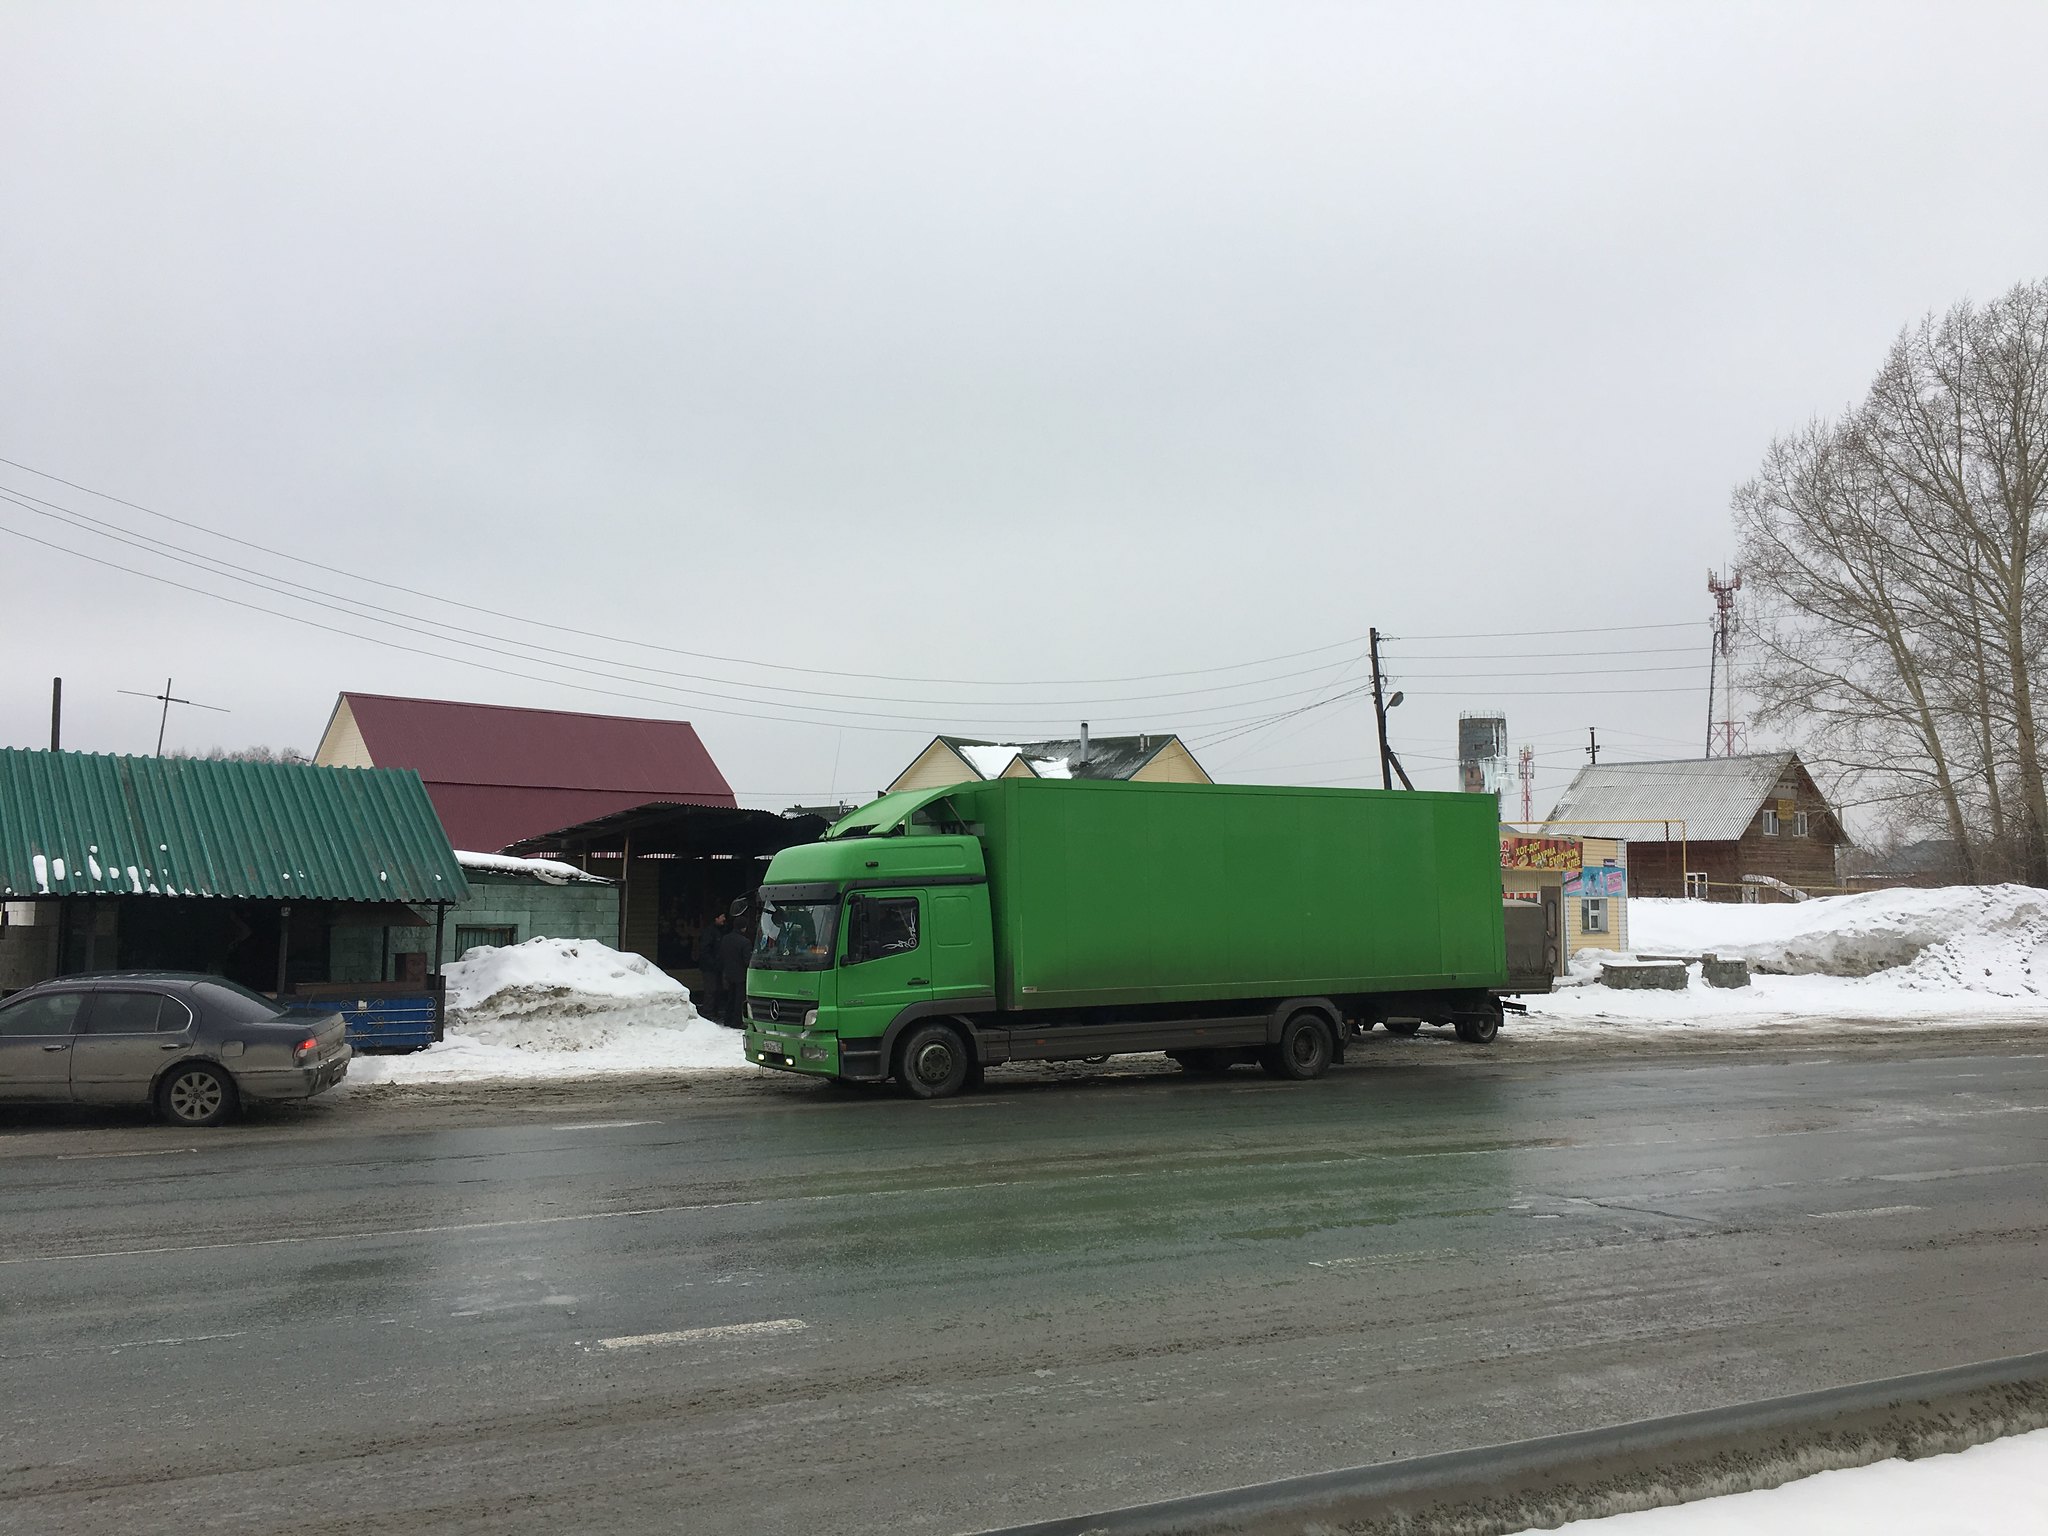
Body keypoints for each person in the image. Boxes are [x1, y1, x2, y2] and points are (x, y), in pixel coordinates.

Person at [716, 913, 753, 1028]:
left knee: (730, 997)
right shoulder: (745, 942)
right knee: (740, 999)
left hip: (728, 972)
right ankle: (737, 1021)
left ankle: (727, 1019)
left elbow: (721, 956)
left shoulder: (725, 938)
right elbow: (747, 961)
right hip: (741, 974)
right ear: (744, 927)